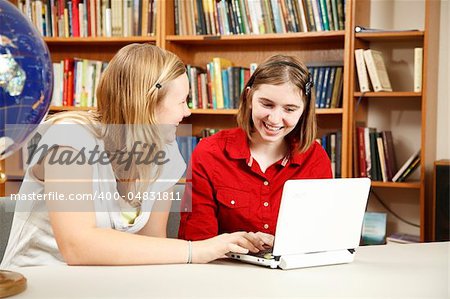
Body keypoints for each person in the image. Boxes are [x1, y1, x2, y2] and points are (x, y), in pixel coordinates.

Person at [1, 44, 272, 268]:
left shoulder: (165, 150)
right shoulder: (69, 139)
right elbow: (78, 246)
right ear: (146, 104)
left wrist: (229, 247)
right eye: (182, 102)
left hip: (107, 286)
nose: (187, 112)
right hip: (38, 283)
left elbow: (151, 245)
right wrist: (197, 250)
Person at [178, 54, 333, 241]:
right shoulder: (209, 153)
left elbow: (321, 234)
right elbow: (196, 242)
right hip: (224, 268)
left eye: (290, 109)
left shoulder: (315, 158)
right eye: (267, 104)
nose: (275, 119)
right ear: (249, 97)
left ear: (304, 110)